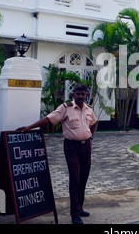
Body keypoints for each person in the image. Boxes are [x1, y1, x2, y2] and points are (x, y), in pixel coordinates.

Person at [17, 83, 97, 224]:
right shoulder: (65, 108)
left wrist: (91, 136)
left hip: (86, 148)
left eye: (82, 94)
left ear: (86, 96)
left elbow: (94, 123)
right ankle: (75, 214)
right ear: (73, 95)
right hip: (71, 147)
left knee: (84, 178)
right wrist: (29, 127)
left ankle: (79, 207)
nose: (80, 96)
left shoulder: (89, 109)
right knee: (75, 178)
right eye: (77, 93)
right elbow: (49, 119)